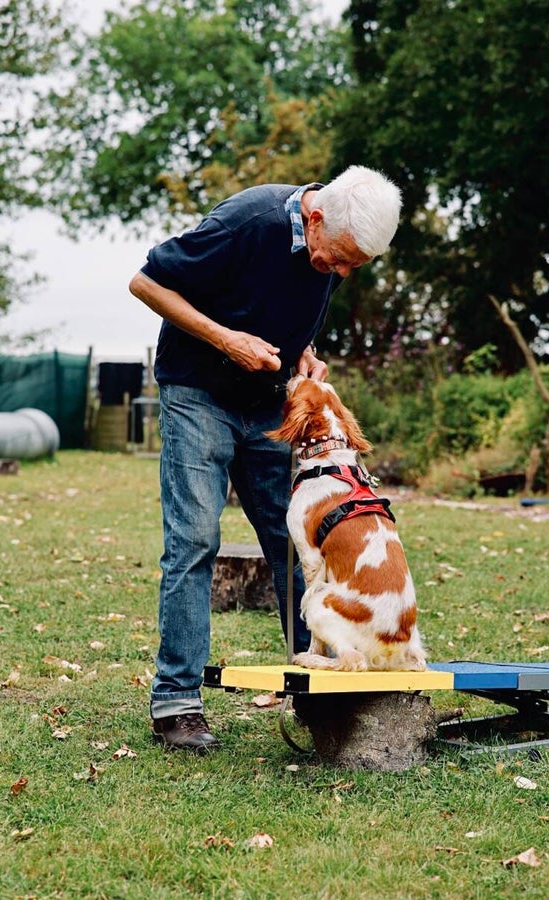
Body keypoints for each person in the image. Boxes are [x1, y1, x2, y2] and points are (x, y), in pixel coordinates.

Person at [128, 165, 402, 752]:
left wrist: (306, 355)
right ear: (315, 216)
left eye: (356, 265)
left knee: (298, 549)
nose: (345, 271)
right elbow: (146, 284)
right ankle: (176, 702)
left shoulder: (331, 250)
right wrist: (226, 339)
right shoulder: (244, 223)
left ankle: (317, 694)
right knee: (195, 541)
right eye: (342, 258)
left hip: (270, 409)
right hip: (198, 394)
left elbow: (285, 312)